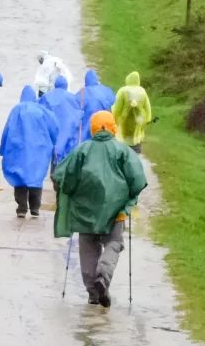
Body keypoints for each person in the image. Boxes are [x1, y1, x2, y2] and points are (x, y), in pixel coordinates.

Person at [53, 111, 147, 307]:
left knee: (87, 248)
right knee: (114, 242)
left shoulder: (82, 150)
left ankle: (93, 293)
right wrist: (128, 196)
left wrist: (70, 193)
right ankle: (103, 274)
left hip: (85, 211)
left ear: (92, 128)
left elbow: (65, 177)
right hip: (116, 211)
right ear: (113, 127)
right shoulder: (123, 151)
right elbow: (138, 180)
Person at [0, 85, 59, 218]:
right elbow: (54, 127)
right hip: (39, 150)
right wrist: (53, 142)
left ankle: (21, 207)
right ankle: (35, 207)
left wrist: (3, 148)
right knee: (36, 177)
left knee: (19, 177)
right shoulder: (41, 110)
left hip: (18, 150)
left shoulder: (16, 110)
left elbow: (7, 130)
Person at [38, 75, 81, 162]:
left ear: (55, 85)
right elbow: (79, 112)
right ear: (66, 85)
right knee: (66, 148)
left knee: (54, 147)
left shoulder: (47, 96)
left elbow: (39, 109)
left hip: (53, 127)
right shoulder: (72, 97)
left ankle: (54, 169)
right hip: (67, 127)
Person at [112, 71, 153, 153]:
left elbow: (116, 109)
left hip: (123, 127)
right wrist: (146, 121)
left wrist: (114, 120)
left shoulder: (122, 91)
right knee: (135, 152)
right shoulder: (142, 91)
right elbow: (148, 109)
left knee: (121, 152)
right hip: (137, 126)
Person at [76, 69, 116, 142]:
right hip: (104, 128)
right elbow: (113, 100)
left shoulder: (81, 93)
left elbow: (75, 107)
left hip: (87, 131)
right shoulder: (106, 90)